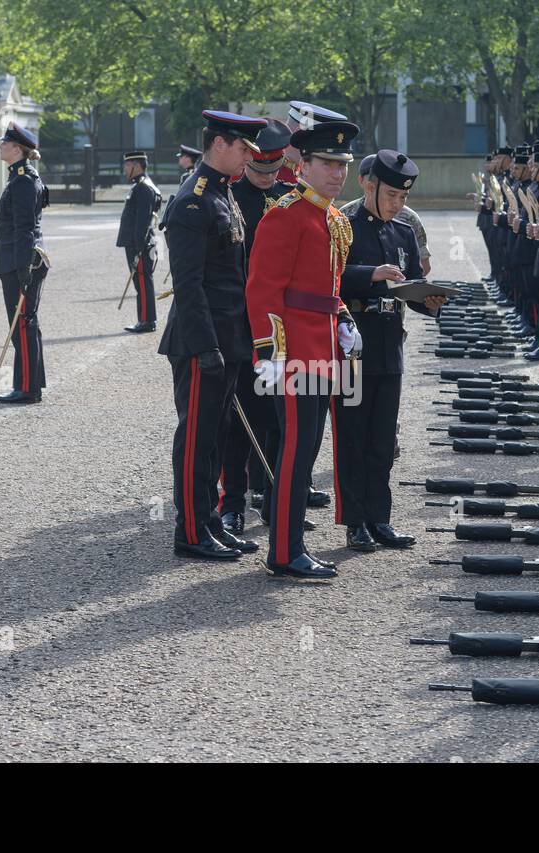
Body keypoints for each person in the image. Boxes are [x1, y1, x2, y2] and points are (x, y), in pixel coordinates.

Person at [246, 119, 362, 579]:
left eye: (342, 165)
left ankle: (291, 543)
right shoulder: (284, 215)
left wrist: (345, 321)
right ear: (304, 166)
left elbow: (330, 288)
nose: (337, 174)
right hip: (292, 351)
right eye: (328, 164)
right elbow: (262, 291)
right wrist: (269, 355)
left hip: (322, 348)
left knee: (308, 446)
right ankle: (283, 551)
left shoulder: (332, 218)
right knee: (295, 449)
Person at [159, 110, 266, 560]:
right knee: (197, 439)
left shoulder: (223, 194)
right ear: (219, 144)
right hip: (202, 342)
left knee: (218, 438)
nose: (248, 158)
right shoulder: (193, 200)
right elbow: (188, 285)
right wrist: (206, 346)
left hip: (228, 339)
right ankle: (190, 532)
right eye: (243, 149)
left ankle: (208, 521)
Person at [337, 150, 444, 551]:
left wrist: (427, 301)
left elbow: (411, 283)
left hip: (389, 342)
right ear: (368, 185)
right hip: (353, 344)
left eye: (403, 197)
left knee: (383, 438)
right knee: (353, 435)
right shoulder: (344, 227)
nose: (398, 204)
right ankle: (354, 521)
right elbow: (329, 278)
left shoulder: (403, 231)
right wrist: (371, 274)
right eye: (392, 196)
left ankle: (380, 517)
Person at [221, 118, 296, 536]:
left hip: (284, 330)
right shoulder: (231, 199)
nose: (267, 178)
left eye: (273, 170)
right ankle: (232, 503)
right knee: (239, 422)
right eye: (259, 169)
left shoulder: (290, 198)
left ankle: (275, 500)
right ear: (247, 160)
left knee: (278, 421)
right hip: (243, 328)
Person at [0, 122, 50, 404]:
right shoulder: (20, 177)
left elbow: (25, 228)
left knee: (22, 324)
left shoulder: (25, 180)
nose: (1, 145)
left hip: (21, 261)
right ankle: (32, 382)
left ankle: (27, 389)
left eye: (5, 142)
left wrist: (24, 266)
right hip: (19, 259)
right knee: (27, 323)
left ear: (17, 149)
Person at [117, 151, 162, 333]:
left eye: (128, 165)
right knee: (141, 282)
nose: (125, 169)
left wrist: (138, 247)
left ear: (137, 166)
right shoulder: (141, 185)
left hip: (140, 244)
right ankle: (145, 319)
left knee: (143, 282)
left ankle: (147, 321)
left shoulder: (143, 187)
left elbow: (142, 221)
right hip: (140, 242)